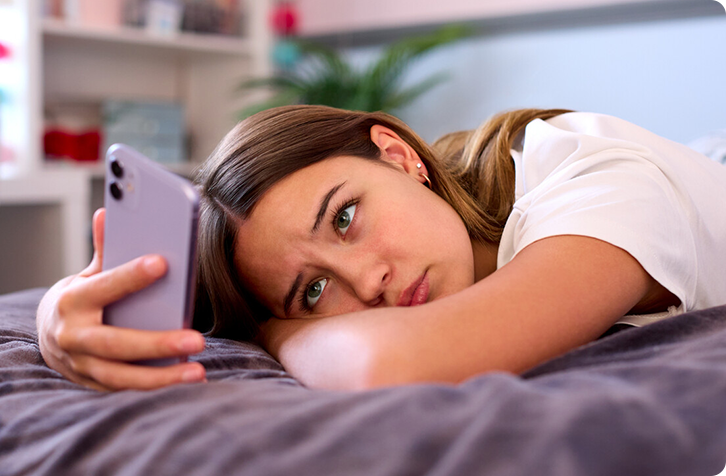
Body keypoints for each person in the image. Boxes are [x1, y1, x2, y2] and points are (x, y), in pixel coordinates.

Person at [37, 106, 726, 391]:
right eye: (312, 291)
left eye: (344, 219)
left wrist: (279, 325)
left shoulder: (597, 180)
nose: (367, 283)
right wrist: (51, 320)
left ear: (398, 156)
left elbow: (389, 362)